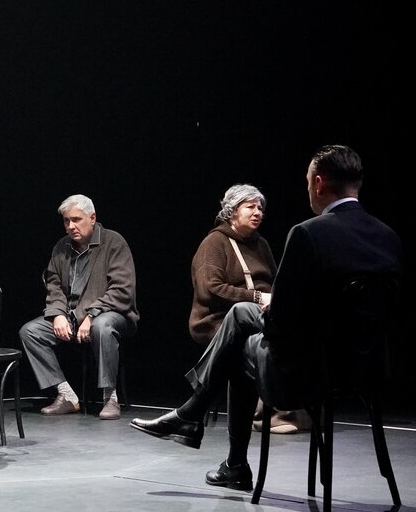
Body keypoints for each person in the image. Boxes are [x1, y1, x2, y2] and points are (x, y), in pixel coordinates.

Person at [129, 144, 402, 491]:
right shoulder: (387, 237)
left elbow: (284, 321)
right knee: (243, 319)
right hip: (367, 368)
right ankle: (203, 430)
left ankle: (211, 437)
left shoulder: (308, 233)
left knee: (241, 336)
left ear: (318, 183)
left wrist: (272, 312)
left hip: (306, 370)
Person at [188, 184, 307, 434]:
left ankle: (295, 408)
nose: (258, 212)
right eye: (250, 207)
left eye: (260, 208)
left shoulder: (261, 244)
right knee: (259, 341)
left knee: (294, 334)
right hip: (218, 319)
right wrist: (257, 297)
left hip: (259, 313)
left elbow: (277, 282)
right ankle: (269, 414)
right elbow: (210, 289)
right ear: (232, 211)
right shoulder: (214, 242)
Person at [18, 195, 138, 420]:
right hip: (73, 317)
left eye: (76, 219)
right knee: (31, 331)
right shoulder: (61, 247)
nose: (70, 226)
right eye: (66, 221)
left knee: (102, 326)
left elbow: (122, 289)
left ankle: (110, 397)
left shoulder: (113, 242)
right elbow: (54, 285)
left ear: (92, 218)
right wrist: (57, 314)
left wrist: (92, 315)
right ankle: (66, 395)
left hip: (112, 314)